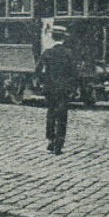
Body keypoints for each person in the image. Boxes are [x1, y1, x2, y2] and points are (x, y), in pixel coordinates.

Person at [35, 25, 77, 154]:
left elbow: (38, 71)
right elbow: (74, 73)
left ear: (52, 37)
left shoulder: (47, 53)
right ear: (64, 39)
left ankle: (50, 141)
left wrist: (43, 83)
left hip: (50, 89)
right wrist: (72, 87)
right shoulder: (69, 53)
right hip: (64, 89)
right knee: (62, 116)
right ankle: (59, 144)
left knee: (51, 113)